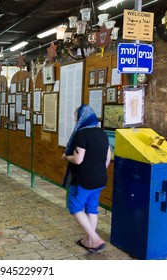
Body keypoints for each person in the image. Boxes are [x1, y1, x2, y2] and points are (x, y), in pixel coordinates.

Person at [61, 105, 111, 253]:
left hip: (84, 180)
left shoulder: (81, 135)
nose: (75, 119)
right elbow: (107, 158)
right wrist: (98, 170)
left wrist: (66, 157)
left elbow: (78, 159)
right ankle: (89, 241)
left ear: (83, 117)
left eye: (77, 116)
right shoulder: (102, 133)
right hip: (100, 179)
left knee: (75, 207)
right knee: (92, 208)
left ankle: (95, 238)